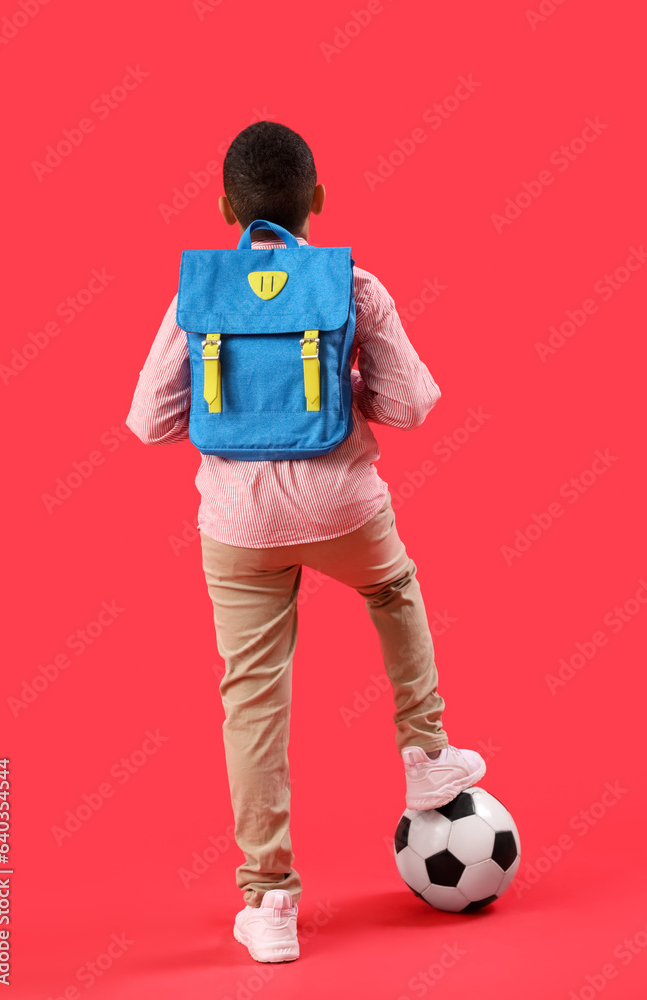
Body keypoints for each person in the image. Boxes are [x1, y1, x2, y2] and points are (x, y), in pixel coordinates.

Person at [126, 121, 486, 964]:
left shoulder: (197, 293)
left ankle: (270, 900)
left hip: (236, 528)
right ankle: (426, 752)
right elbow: (412, 407)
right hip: (343, 508)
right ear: (316, 201)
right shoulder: (351, 286)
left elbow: (148, 423)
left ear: (225, 208)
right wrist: (343, 381)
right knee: (391, 588)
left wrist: (234, 414)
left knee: (251, 701)